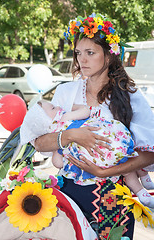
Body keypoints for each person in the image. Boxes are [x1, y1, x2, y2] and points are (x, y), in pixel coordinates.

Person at [21, 13, 154, 239]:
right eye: (78, 53)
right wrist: (72, 135)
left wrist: (103, 171)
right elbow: (40, 142)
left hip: (115, 198)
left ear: (109, 56)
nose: (81, 60)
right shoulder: (65, 92)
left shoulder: (130, 96)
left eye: (90, 53)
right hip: (69, 192)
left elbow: (149, 154)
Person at [21, 100, 154, 209]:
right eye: (53, 107)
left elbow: (57, 163)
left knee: (122, 164)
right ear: (48, 120)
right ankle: (143, 184)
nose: (58, 106)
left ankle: (142, 193)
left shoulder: (56, 136)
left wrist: (59, 148)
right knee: (126, 156)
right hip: (110, 141)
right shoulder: (65, 116)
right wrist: (74, 106)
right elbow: (86, 111)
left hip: (96, 161)